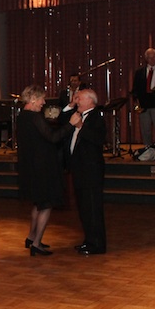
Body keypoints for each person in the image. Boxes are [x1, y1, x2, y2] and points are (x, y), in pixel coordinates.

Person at [16, 85, 78, 256]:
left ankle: (31, 237)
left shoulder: (22, 117)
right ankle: (36, 243)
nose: (44, 102)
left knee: (38, 203)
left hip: (30, 166)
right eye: (42, 99)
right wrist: (71, 125)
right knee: (46, 204)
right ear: (33, 99)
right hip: (43, 167)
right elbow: (53, 137)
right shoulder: (35, 118)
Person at [65, 88, 107, 255]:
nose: (77, 101)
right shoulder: (76, 115)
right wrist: (71, 105)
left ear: (90, 100)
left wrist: (81, 126)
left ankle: (97, 244)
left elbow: (98, 139)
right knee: (84, 209)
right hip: (80, 170)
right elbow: (60, 118)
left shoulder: (96, 117)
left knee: (93, 208)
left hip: (91, 171)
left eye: (80, 98)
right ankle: (89, 240)